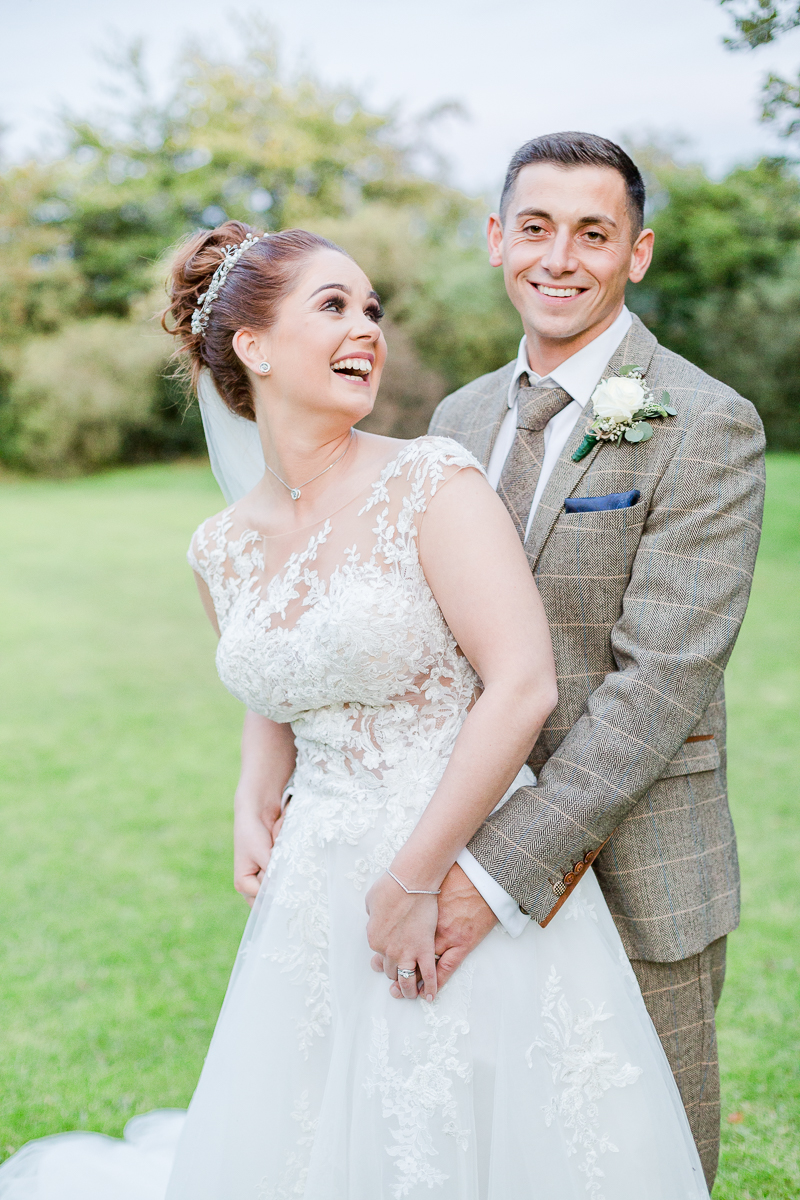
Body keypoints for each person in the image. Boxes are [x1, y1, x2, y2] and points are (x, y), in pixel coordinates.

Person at [0, 222, 711, 1200]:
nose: (366, 329)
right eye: (332, 306)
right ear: (251, 348)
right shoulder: (220, 545)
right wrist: (254, 789)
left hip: (459, 862)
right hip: (316, 880)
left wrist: (418, 879)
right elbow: (275, 675)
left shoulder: (430, 483)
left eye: (370, 309)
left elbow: (520, 684)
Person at [421, 131, 766, 1191]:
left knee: (636, 1155)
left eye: (591, 233)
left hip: (631, 870)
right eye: (534, 228)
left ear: (638, 253)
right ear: (495, 240)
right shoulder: (456, 421)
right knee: (484, 1144)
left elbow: (658, 685)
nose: (558, 257)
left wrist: (497, 869)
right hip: (454, 845)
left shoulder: (705, 423)